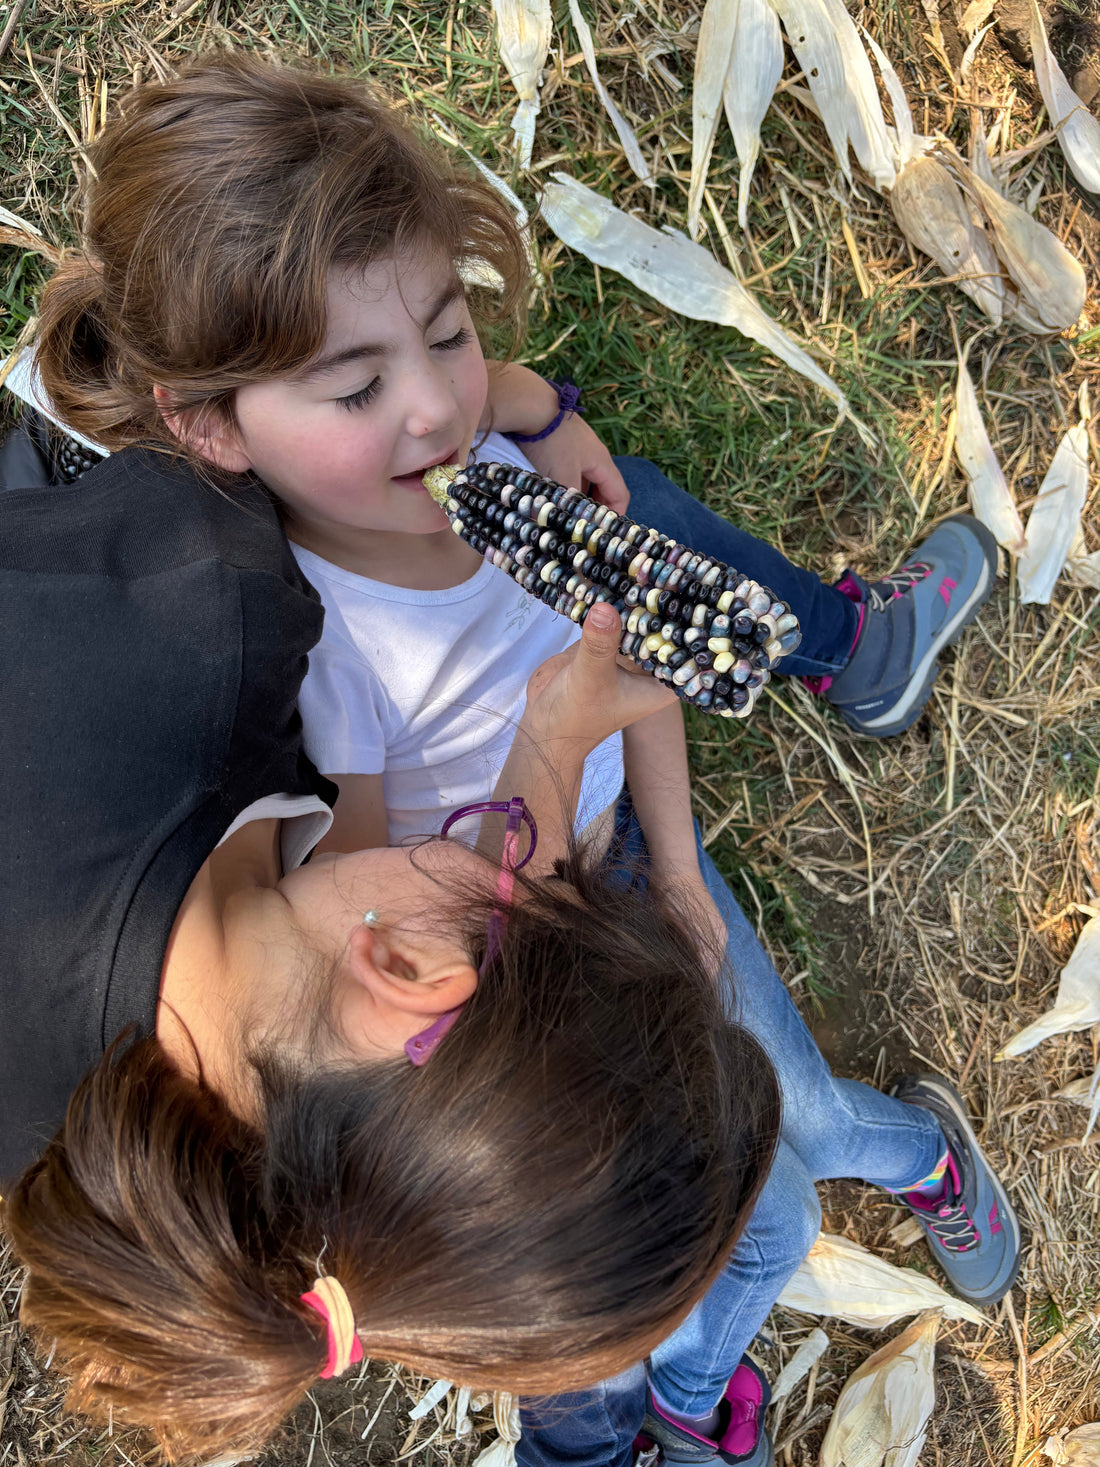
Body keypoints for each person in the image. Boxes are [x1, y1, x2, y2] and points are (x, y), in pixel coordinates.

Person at [11, 49, 1018, 1467]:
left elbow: (578, 724)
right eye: (357, 385)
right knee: (772, 1194)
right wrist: (569, 763)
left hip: (534, 887)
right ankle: (652, 1392)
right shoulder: (288, 650)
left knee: (764, 1139)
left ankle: (846, 1184)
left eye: (448, 337)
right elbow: (409, 867)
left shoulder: (211, 616)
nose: (435, 411)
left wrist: (534, 415)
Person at [1, 422, 782, 1461]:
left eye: (535, 878)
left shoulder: (210, 598)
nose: (521, 844)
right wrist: (549, 736)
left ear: (408, 973)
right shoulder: (62, 1143)